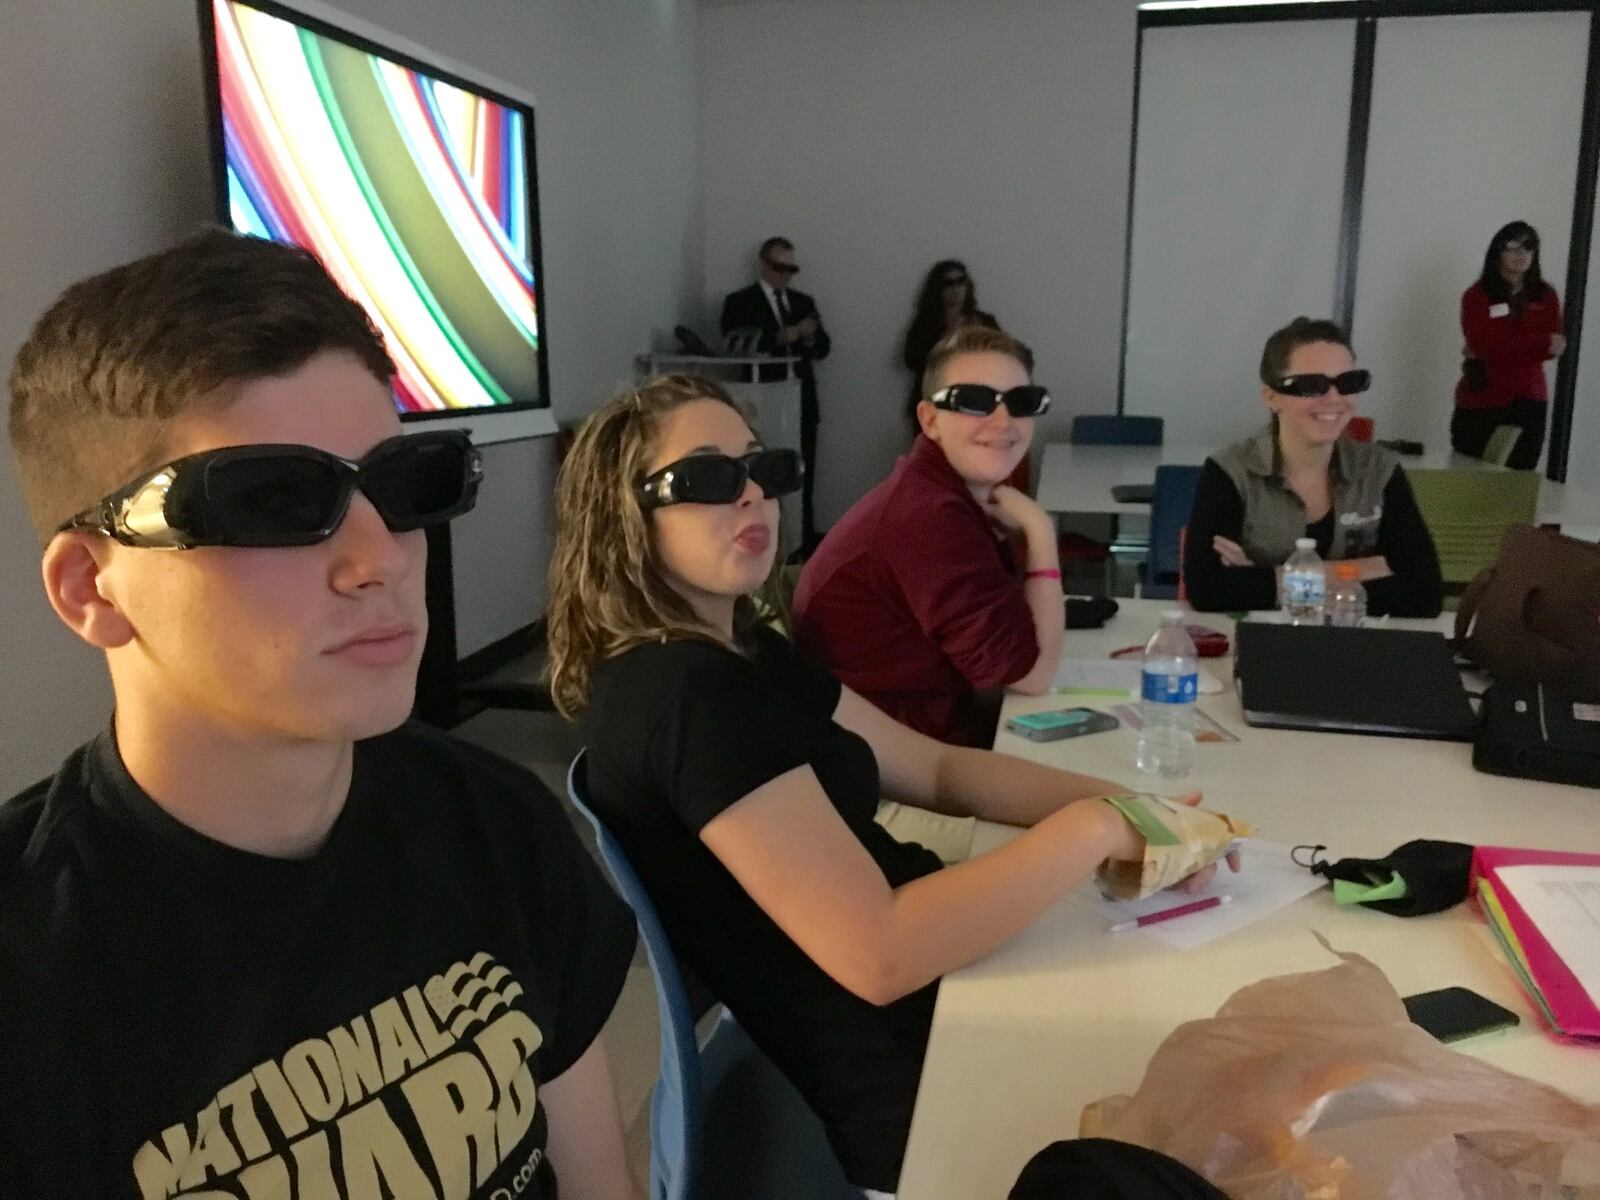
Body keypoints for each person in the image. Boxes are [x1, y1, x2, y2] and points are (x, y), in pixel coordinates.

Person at [0, 229, 640, 1199]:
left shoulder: (497, 827)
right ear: (93, 584)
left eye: (402, 484)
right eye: (269, 499)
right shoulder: (32, 987)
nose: (380, 557)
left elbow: (598, 1181)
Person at [545, 372, 1237, 1197]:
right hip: (919, 1088)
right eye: (704, 480)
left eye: (764, 471)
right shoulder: (686, 698)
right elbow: (879, 953)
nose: (753, 498)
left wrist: (1136, 809)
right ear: (622, 514)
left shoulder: (739, 653)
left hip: (946, 1002)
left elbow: (937, 766)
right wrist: (1093, 827)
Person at [794, 326, 1059, 747]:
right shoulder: (927, 517)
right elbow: (1030, 675)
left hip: (921, 736)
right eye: (973, 401)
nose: (1003, 421)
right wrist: (1041, 533)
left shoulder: (940, 495)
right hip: (890, 769)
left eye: (1022, 402)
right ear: (929, 420)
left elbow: (1010, 641)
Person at [1184, 317, 1443, 617]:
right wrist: (1363, 572)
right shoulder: (1230, 470)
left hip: (1357, 646)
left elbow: (1425, 592)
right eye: (1311, 385)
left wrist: (1270, 580)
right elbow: (1208, 589)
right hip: (1262, 645)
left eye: (1348, 382)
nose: (1333, 398)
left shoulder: (1379, 470)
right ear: (1271, 397)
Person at [719, 236, 832, 551]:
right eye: (779, 266)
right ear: (763, 264)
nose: (785, 274)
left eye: (790, 268)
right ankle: (763, 542)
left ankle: (801, 543)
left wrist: (809, 338)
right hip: (760, 402)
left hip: (801, 397)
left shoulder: (802, 302)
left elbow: (824, 348)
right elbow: (734, 344)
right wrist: (789, 335)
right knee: (760, 473)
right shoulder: (739, 302)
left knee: (802, 472)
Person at [1452, 221, 1565, 470]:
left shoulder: (1545, 295)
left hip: (1529, 397)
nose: (1521, 255)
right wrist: (1539, 341)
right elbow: (1483, 343)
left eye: (1528, 248)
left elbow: (1553, 348)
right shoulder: (1478, 294)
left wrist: (1505, 346)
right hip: (1483, 397)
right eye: (1512, 247)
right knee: (1470, 476)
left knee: (1518, 482)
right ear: (1497, 252)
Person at [901, 259, 1000, 429]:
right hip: (935, 403)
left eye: (961, 281)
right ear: (938, 289)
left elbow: (1003, 357)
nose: (956, 289)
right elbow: (911, 359)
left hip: (976, 404)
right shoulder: (926, 324)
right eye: (948, 283)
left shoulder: (984, 322)